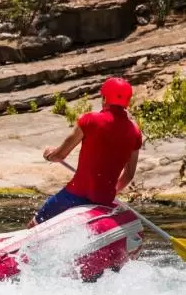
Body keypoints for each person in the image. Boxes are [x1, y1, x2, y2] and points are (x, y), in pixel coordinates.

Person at [31, 76, 142, 226]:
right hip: (104, 200)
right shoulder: (135, 132)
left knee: (34, 225)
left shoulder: (90, 120)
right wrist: (111, 192)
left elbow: (60, 155)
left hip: (75, 195)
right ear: (127, 101)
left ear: (104, 97)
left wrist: (49, 155)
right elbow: (129, 175)